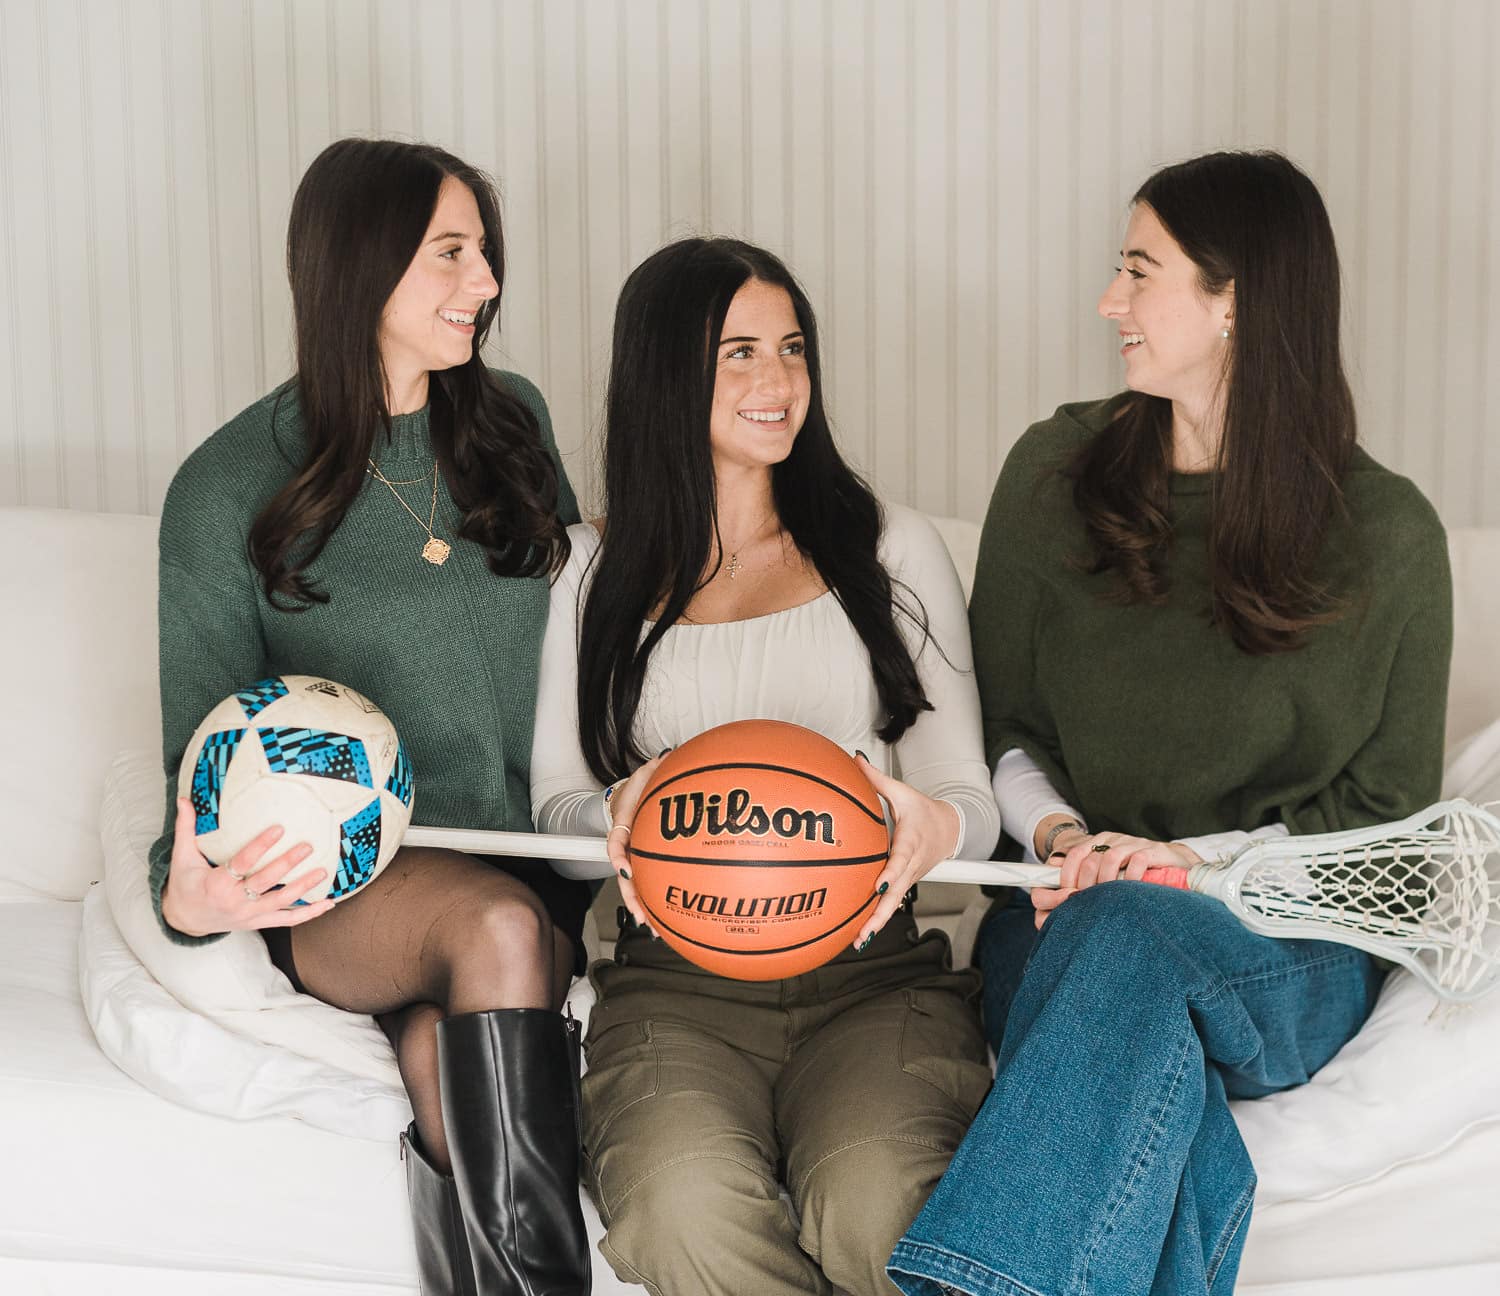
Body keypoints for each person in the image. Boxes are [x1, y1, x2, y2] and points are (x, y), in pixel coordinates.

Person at [887, 150, 1452, 1296]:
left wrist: (1182, 866)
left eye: (1139, 271)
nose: (1109, 301)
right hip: (1061, 908)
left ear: (1234, 299)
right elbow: (1005, 730)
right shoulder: (1052, 473)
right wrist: (1059, 842)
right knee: (1123, 962)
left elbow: (1385, 828)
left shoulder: (1388, 536)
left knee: (1133, 929)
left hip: (1282, 943)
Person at [148, 138, 592, 1296]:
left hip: (530, 854)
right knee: (492, 936)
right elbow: (197, 757)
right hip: (350, 887)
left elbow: (591, 647)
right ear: (358, 266)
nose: (486, 283)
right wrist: (188, 898)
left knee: (452, 1035)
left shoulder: (514, 425)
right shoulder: (226, 487)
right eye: (452, 252)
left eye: (484, 253)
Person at [529, 236, 1001, 1296]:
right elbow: (558, 826)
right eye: (737, 352)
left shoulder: (889, 547)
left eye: (792, 349)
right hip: (671, 989)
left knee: (877, 1202)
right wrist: (617, 810)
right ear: (663, 372)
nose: (778, 381)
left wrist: (934, 826)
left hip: (875, 980)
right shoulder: (585, 571)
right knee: (677, 1210)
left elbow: (966, 798)